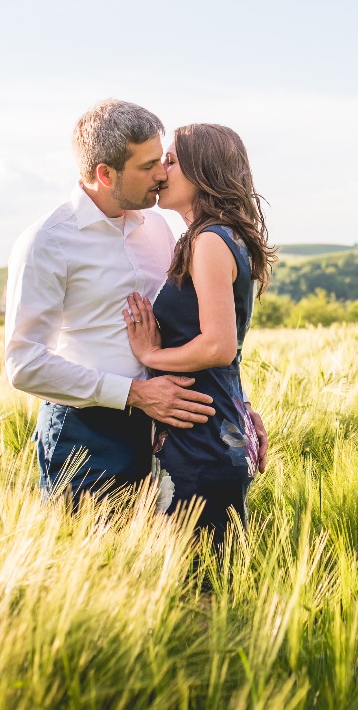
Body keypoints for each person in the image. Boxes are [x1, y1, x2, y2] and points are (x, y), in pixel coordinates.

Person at [4, 99, 266, 504]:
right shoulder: (48, 242)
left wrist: (235, 404)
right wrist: (133, 393)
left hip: (167, 430)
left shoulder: (159, 229)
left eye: (163, 160)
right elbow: (23, 365)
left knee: (161, 563)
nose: (161, 174)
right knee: (89, 561)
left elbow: (195, 328)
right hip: (86, 435)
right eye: (148, 166)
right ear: (105, 174)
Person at [123, 123, 272, 544]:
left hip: (201, 438)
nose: (160, 172)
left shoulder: (208, 240)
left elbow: (219, 346)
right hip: (211, 423)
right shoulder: (222, 237)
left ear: (202, 171)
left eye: (170, 161)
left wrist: (150, 356)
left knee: (198, 585)